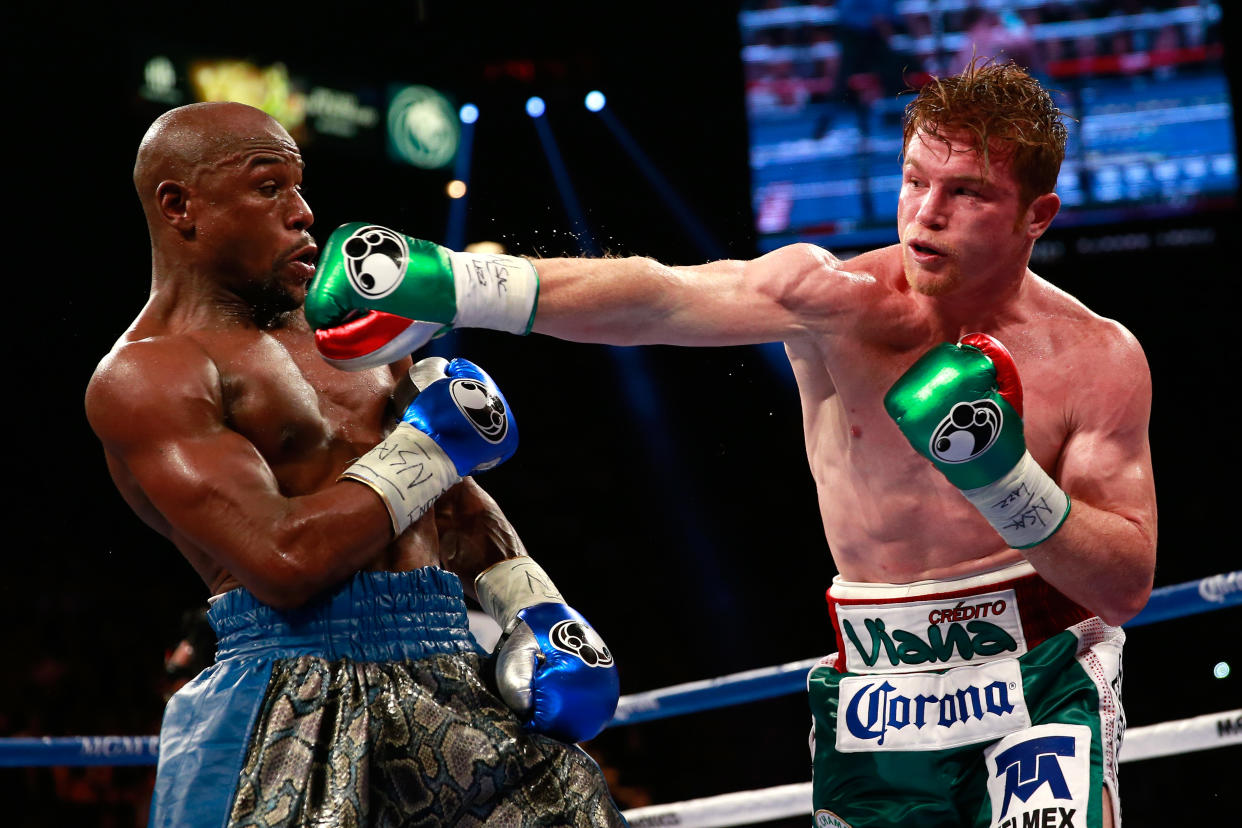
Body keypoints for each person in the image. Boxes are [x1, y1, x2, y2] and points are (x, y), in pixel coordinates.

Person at [305, 60, 1156, 828]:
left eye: (967, 193)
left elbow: (1122, 585)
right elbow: (662, 297)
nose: (926, 214)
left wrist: (1001, 479)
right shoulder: (838, 300)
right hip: (883, 689)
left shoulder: (1095, 358)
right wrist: (462, 283)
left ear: (1037, 214)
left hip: (1043, 674)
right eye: (913, 180)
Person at [84, 101, 625, 828]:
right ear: (181, 206)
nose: (303, 212)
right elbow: (283, 559)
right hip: (291, 693)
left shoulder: (353, 333)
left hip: (447, 665)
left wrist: (533, 605)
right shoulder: (147, 378)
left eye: (300, 186)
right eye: (270, 187)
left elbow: (455, 506)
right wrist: (429, 445)